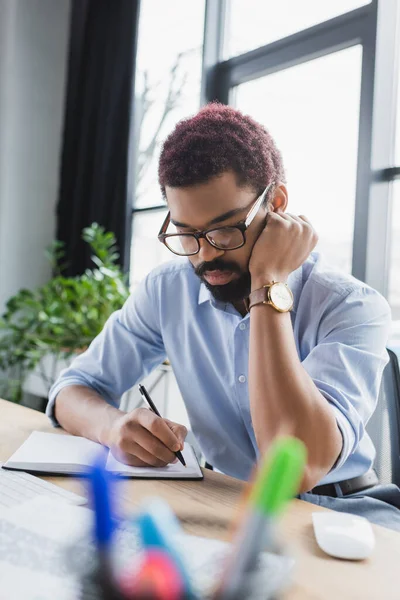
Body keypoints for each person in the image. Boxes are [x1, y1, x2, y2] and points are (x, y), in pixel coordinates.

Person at [47, 103, 400, 530]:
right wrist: (114, 426)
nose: (207, 254)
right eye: (186, 233)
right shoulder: (168, 290)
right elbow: (72, 389)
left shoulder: (352, 305)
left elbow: (296, 464)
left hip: (337, 513)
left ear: (277, 204)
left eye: (225, 230)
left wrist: (268, 283)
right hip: (222, 502)